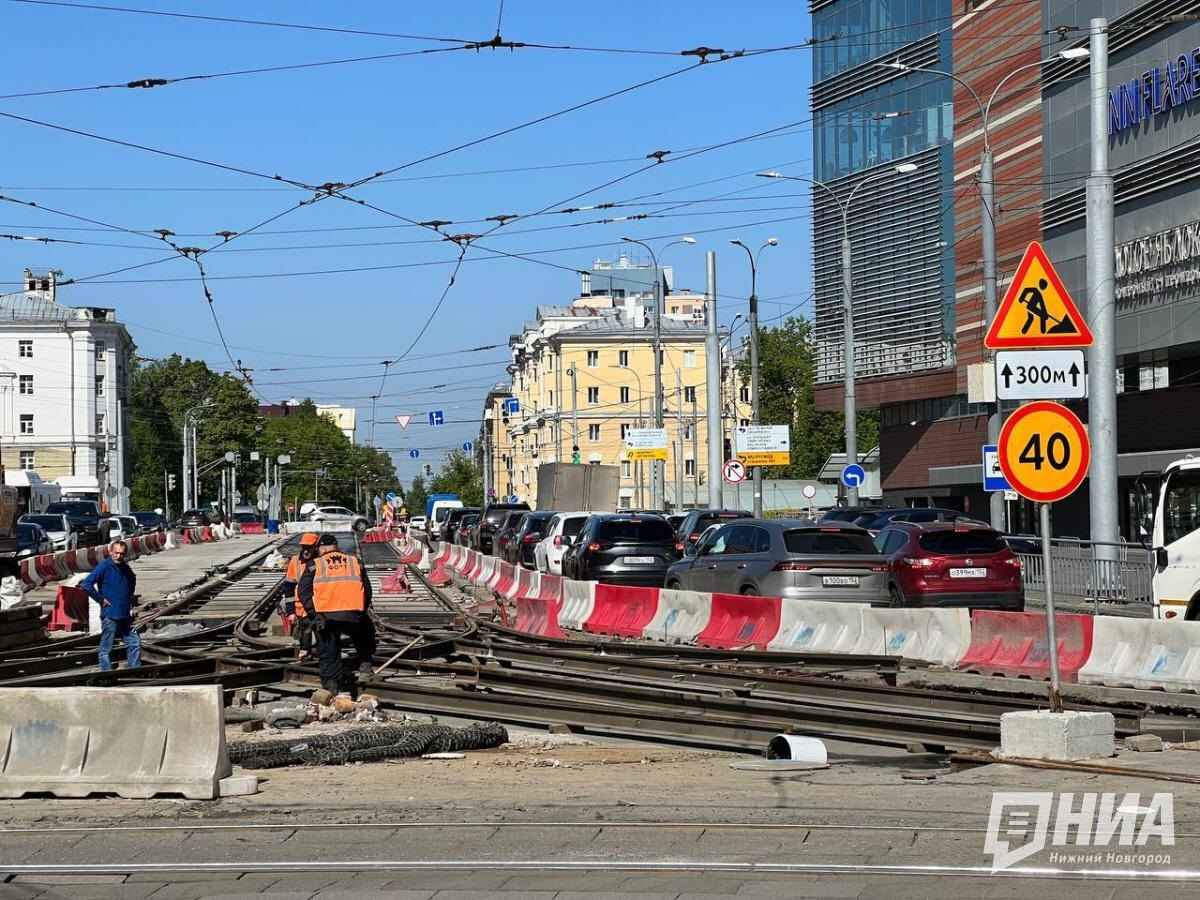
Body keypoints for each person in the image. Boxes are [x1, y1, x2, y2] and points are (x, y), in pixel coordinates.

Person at [297, 533, 376, 695]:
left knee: (327, 649)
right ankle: (365, 668)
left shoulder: (314, 565)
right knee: (365, 634)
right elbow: (367, 590)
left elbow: (303, 591)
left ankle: (331, 687)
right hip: (353, 613)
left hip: (325, 616)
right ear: (336, 547)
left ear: (323, 548)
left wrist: (313, 613)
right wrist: (361, 610)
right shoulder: (355, 562)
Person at [81, 539, 140, 672]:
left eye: (122, 554)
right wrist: (100, 599)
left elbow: (132, 580)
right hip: (110, 615)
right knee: (106, 648)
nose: (119, 556)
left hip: (124, 615)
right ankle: (107, 673)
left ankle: (135, 671)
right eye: (116, 553)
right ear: (110, 552)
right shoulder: (105, 566)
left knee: (134, 643)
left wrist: (127, 598)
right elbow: (86, 584)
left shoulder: (124, 567)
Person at [281, 532, 320, 660]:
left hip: (318, 605)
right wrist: (291, 611)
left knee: (318, 633)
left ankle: (313, 652)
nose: (305, 551)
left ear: (316, 546)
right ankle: (305, 652)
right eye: (303, 547)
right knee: (304, 632)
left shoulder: (321, 561)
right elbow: (289, 587)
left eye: (309, 547)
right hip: (301, 607)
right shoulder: (295, 561)